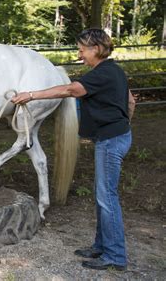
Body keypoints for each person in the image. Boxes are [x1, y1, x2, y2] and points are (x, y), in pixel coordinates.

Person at [11, 28, 135, 271]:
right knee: (103, 197)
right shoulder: (113, 71)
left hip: (111, 141)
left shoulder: (101, 74)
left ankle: (116, 256)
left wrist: (31, 95)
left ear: (96, 49)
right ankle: (102, 246)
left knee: (107, 197)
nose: (79, 54)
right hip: (116, 137)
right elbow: (130, 101)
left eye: (82, 49)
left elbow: (69, 90)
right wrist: (123, 125)